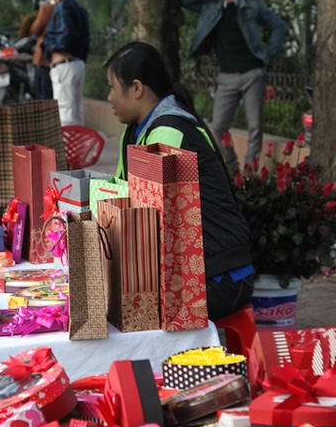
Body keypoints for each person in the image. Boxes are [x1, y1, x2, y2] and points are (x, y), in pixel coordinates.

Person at [105, 41, 254, 320]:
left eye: (112, 87)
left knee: (132, 312)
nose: (110, 97)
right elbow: (118, 192)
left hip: (219, 277)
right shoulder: (137, 130)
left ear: (136, 88)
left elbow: (154, 221)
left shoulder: (170, 133)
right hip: (191, 270)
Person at [179, 0, 288, 173]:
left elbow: (279, 26)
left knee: (255, 127)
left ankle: (249, 172)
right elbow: (183, 0)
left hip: (253, 74)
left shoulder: (253, 6)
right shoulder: (211, 5)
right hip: (226, 75)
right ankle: (232, 168)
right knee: (218, 125)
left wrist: (268, 54)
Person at [42, 0, 89, 125]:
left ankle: (68, 147)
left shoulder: (62, 6)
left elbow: (65, 36)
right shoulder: (80, 8)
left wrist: (49, 45)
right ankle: (78, 147)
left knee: (65, 114)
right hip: (77, 64)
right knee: (77, 111)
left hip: (64, 65)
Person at [27, 0, 56, 100]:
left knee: (44, 95)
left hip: (45, 57)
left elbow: (35, 29)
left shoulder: (46, 8)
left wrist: (41, 11)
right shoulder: (71, 7)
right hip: (61, 58)